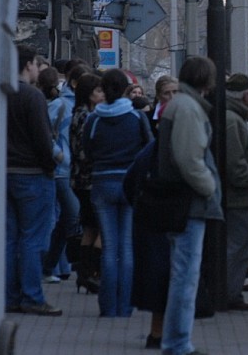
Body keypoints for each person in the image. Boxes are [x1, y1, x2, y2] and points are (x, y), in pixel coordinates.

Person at [157, 56, 223, 354]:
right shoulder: (188, 108)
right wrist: (210, 188)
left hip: (179, 201)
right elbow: (189, 160)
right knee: (185, 276)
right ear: (206, 80)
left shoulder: (180, 105)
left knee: (181, 274)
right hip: (188, 203)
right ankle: (178, 343)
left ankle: (176, 341)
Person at [83, 68, 153, 317]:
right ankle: (125, 306)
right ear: (125, 89)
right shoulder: (135, 117)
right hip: (130, 183)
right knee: (127, 247)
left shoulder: (94, 119)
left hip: (102, 184)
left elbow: (87, 152)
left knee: (109, 247)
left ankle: (108, 306)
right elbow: (148, 148)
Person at [5, 44, 61, 316]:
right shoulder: (32, 96)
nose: (39, 70)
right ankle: (32, 296)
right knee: (33, 239)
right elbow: (42, 139)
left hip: (5, 173)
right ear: (28, 66)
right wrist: (51, 164)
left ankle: (9, 296)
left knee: (9, 238)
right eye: (38, 65)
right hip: (33, 175)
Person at [42, 64, 88, 283]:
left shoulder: (87, 110)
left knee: (66, 222)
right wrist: (59, 155)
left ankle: (50, 265)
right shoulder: (60, 105)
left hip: (78, 173)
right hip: (61, 171)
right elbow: (44, 133)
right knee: (73, 215)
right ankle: (70, 265)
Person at [224, 74, 248, 311]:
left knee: (239, 247)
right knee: (236, 247)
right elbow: (235, 164)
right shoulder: (232, 121)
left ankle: (232, 293)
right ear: (246, 96)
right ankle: (229, 294)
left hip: (237, 196)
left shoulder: (233, 118)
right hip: (237, 196)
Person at [69, 72, 105, 294]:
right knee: (102, 228)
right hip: (89, 179)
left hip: (79, 179)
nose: (102, 95)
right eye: (99, 91)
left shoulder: (79, 113)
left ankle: (83, 274)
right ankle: (93, 272)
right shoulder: (86, 117)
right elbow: (84, 151)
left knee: (90, 227)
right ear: (89, 95)